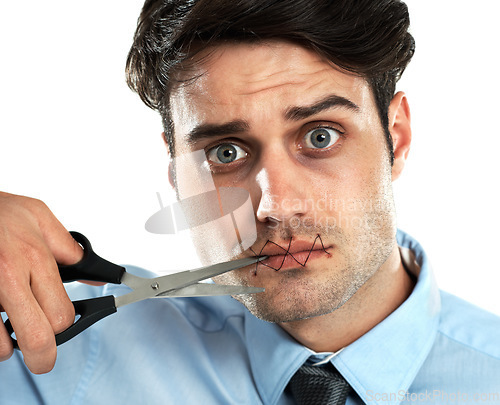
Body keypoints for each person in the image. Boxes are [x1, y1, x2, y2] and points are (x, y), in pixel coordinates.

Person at [1, 0, 499, 404]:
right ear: (176, 177)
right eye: (225, 152)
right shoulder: (54, 340)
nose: (275, 206)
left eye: (321, 136)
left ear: (397, 137)